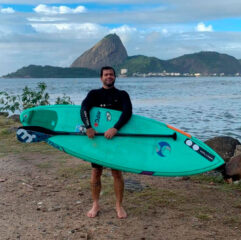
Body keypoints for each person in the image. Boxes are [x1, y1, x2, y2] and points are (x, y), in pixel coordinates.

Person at [80, 66, 132, 219]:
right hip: (98, 140)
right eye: (106, 74)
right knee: (96, 172)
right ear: (101, 77)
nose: (109, 76)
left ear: (115, 77)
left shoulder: (122, 94)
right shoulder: (94, 94)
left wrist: (115, 128)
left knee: (117, 172)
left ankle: (118, 205)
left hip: (115, 139)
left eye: (111, 74)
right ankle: (96, 204)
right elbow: (84, 109)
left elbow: (127, 112)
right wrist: (88, 127)